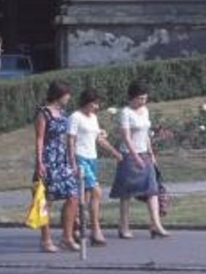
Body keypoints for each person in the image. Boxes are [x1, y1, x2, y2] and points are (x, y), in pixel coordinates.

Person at [109, 80, 170, 238]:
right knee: (126, 193)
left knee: (152, 190)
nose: (143, 101)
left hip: (145, 154)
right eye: (140, 98)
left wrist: (151, 154)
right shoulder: (125, 112)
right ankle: (124, 227)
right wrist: (135, 157)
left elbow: (146, 135)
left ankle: (156, 224)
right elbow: (126, 137)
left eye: (145, 98)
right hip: (129, 155)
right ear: (132, 97)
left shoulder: (145, 110)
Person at [67, 88, 122, 246]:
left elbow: (98, 139)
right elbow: (70, 140)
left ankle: (76, 225)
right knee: (96, 192)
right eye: (94, 104)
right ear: (86, 102)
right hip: (80, 157)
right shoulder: (75, 117)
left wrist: (114, 152)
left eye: (98, 104)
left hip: (92, 158)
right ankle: (95, 230)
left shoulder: (93, 118)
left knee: (82, 195)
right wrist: (72, 162)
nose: (97, 107)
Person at [33, 80, 79, 253]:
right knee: (46, 200)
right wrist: (39, 163)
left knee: (73, 195)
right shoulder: (43, 114)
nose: (69, 97)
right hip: (48, 160)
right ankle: (45, 239)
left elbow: (67, 139)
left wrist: (72, 161)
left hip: (62, 159)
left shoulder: (63, 113)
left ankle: (66, 237)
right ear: (59, 94)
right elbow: (39, 139)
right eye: (67, 94)